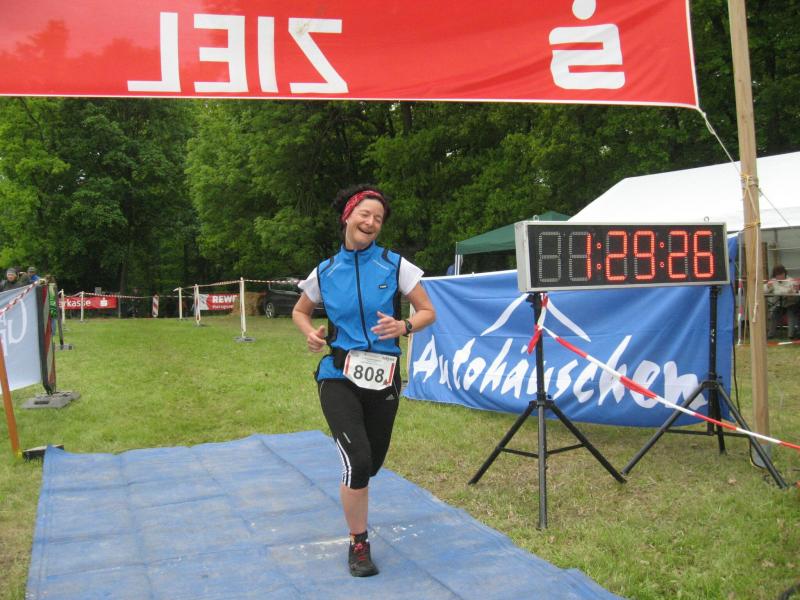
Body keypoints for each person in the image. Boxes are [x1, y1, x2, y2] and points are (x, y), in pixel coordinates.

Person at [292, 185, 436, 578]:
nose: (371, 222)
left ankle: (357, 481)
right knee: (356, 462)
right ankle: (359, 542)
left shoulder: (395, 265)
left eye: (378, 218)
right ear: (348, 216)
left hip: (384, 376)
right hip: (338, 375)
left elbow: (427, 311)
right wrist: (310, 332)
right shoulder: (325, 271)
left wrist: (404, 326)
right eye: (365, 214)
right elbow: (300, 311)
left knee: (371, 464)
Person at [764, 264, 799, 338]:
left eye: (781, 274)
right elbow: (764, 290)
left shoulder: (791, 280)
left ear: (785, 273)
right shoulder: (773, 281)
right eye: (778, 275)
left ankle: (791, 335)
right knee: (774, 314)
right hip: (780, 305)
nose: (780, 276)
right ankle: (771, 334)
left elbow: (795, 292)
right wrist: (767, 286)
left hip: (791, 303)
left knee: (791, 314)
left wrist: (794, 290)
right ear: (775, 275)